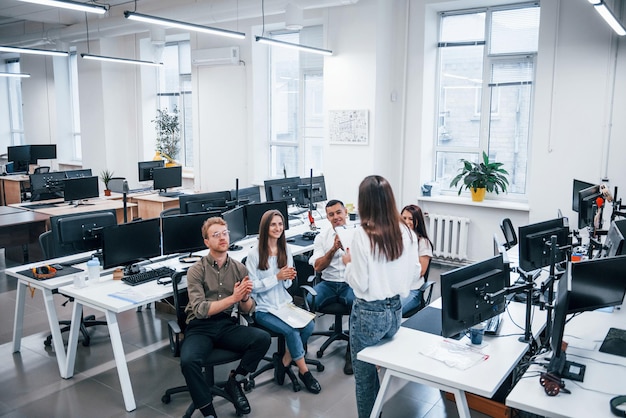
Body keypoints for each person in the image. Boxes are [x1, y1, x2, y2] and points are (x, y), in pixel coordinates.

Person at [342, 175, 421, 418]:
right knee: (377, 367)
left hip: (368, 315)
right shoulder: (406, 232)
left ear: (364, 202)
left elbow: (360, 282)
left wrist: (348, 264)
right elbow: (415, 274)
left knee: (365, 379)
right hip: (395, 313)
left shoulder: (361, 235)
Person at [180, 217, 271, 418]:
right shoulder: (196, 270)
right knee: (188, 361)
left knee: (262, 339)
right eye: (216, 235)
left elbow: (248, 309)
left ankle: (235, 380)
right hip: (200, 326)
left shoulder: (239, 268)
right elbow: (201, 310)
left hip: (226, 324)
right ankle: (208, 411)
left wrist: (245, 297)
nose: (222, 237)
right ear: (206, 242)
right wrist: (234, 298)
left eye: (225, 233)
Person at [246, 209, 322, 394]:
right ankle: (305, 372)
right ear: (265, 227)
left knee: (309, 326)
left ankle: (285, 361)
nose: (278, 228)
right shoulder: (254, 254)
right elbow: (252, 287)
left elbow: (287, 284)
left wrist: (288, 277)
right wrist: (277, 277)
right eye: (273, 224)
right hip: (264, 309)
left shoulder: (285, 249)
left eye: (280, 224)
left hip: (284, 304)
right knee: (292, 332)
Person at [307, 199, 356, 375]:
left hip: (350, 283)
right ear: (327, 217)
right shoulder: (322, 237)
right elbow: (318, 267)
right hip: (328, 283)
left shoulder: (357, 234)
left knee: (355, 304)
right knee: (308, 300)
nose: (336, 217)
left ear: (345, 213)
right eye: (331, 214)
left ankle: (352, 354)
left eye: (338, 213)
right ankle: (301, 352)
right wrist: (333, 249)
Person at [399, 204, 434, 316]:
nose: (407, 222)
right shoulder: (397, 239)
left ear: (417, 221)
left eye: (411, 219)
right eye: (404, 218)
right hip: (396, 288)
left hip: (412, 290)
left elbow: (420, 272)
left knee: (391, 312)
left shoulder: (423, 243)